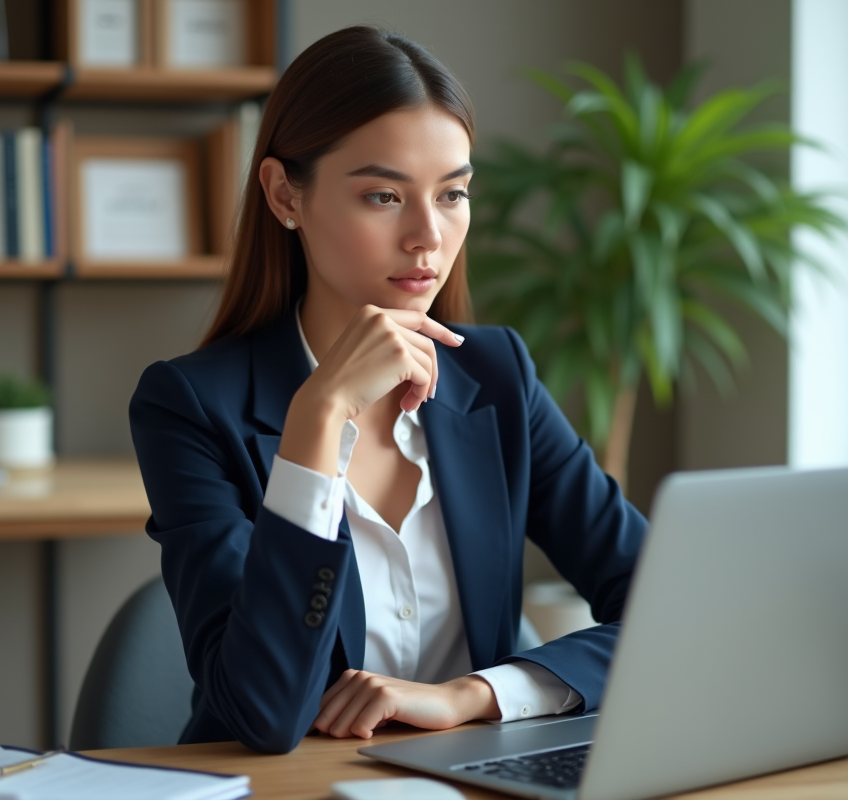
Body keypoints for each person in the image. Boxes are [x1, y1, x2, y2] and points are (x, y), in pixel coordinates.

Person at [129, 26, 647, 755]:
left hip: (473, 780)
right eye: (382, 195)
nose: (427, 236)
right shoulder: (187, 406)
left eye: (453, 194)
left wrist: (471, 695)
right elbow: (264, 713)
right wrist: (320, 419)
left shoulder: (497, 376)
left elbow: (664, 608)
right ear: (285, 195)